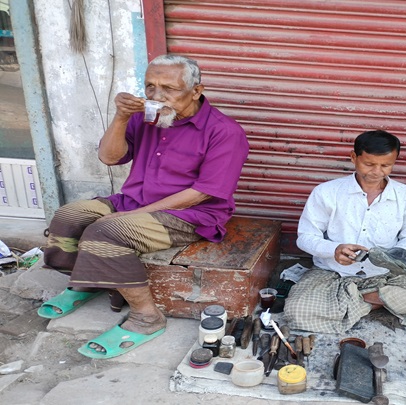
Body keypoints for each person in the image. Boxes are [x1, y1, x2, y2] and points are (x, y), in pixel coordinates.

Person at [39, 54, 249, 359]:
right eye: (150, 87)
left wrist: (133, 215)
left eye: (169, 88)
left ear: (196, 90)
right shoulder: (148, 117)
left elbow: (202, 194)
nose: (156, 95)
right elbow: (109, 158)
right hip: (134, 201)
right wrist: (121, 116)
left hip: (189, 215)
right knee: (68, 216)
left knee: (105, 232)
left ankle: (147, 317)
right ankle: (87, 281)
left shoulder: (224, 132)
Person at [284, 130, 406, 333]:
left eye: (385, 165)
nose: (377, 172)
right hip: (333, 274)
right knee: (296, 311)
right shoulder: (326, 193)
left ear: (395, 161)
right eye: (369, 164)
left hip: (386, 276)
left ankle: (356, 302)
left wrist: (394, 256)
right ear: (354, 157)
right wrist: (334, 249)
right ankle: (382, 303)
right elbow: (305, 237)